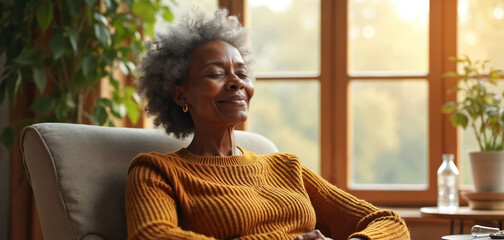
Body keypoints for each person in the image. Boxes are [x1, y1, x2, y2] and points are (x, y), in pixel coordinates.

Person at [125, 7, 410, 240]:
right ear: (180, 94)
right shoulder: (157, 171)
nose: (236, 81)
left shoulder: (286, 168)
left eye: (242, 73)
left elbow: (389, 222)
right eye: (216, 73)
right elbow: (153, 234)